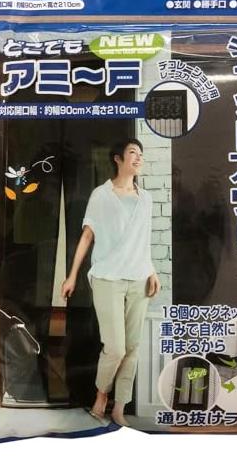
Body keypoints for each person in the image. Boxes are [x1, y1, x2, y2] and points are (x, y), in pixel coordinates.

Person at [61, 138, 161, 426]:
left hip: (139, 278)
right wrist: (72, 276)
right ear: (118, 158)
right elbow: (87, 236)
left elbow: (144, 241)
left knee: (133, 347)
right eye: (132, 153)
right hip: (107, 277)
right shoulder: (101, 195)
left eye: (141, 154)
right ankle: (101, 395)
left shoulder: (146, 199)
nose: (138, 158)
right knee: (115, 348)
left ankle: (119, 408)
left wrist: (152, 270)